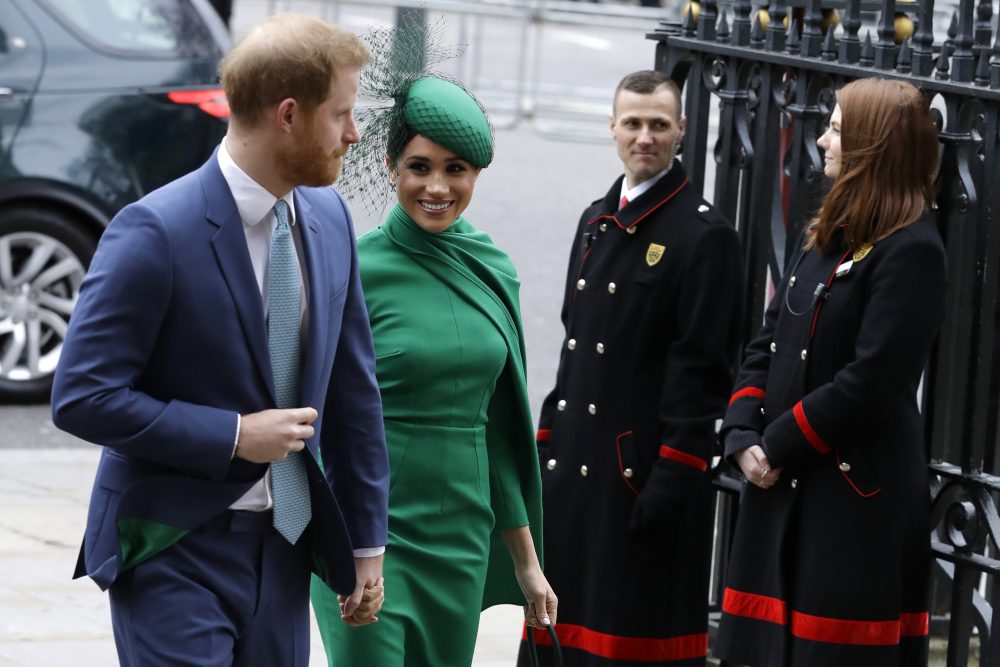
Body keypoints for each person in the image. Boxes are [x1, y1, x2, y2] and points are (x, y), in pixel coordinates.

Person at [51, 14, 389, 666]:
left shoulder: (329, 217)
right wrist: (234, 434)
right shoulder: (154, 232)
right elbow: (81, 395)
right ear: (288, 114)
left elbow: (355, 390)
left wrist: (368, 539)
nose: (353, 133)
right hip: (175, 547)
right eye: (341, 114)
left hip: (287, 548)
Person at [310, 74, 557, 666]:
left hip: (460, 541)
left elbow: (499, 431)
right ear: (392, 164)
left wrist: (525, 561)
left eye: (457, 169)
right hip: (367, 534)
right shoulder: (352, 266)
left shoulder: (492, 268)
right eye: (420, 166)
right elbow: (313, 414)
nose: (438, 187)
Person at [714, 77, 945, 667]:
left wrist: (778, 444)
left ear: (875, 145)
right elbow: (770, 339)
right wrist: (741, 433)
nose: (821, 141)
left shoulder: (912, 250)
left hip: (851, 500)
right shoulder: (828, 231)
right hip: (780, 480)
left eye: (838, 130)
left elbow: (873, 380)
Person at [519, 69, 743, 666]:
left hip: (639, 483)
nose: (645, 137)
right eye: (633, 124)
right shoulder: (595, 219)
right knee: (561, 644)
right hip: (574, 481)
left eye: (659, 125)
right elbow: (575, 346)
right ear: (612, 127)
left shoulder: (705, 236)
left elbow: (704, 372)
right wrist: (545, 452)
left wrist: (671, 482)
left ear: (682, 132)